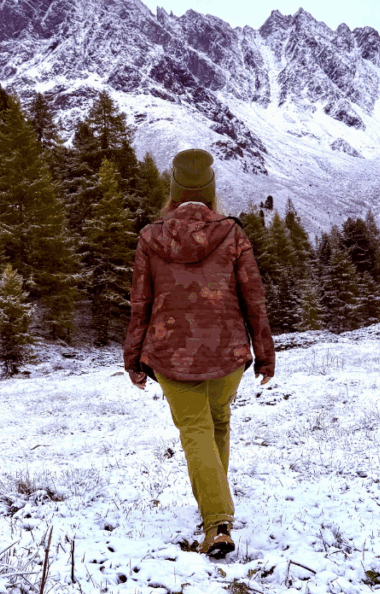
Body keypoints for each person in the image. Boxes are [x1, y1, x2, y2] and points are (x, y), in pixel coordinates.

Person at [123, 148, 275, 558]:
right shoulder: (232, 233)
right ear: (209, 192)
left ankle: (216, 523)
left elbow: (141, 304)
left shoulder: (150, 238)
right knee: (217, 422)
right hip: (227, 354)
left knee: (195, 431)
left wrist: (133, 358)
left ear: (173, 192)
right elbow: (253, 299)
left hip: (171, 355)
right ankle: (217, 509)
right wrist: (264, 354)